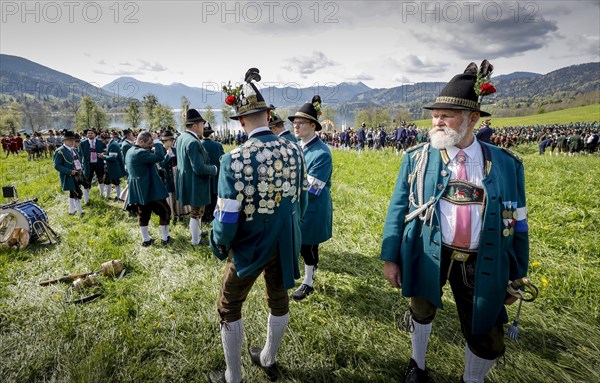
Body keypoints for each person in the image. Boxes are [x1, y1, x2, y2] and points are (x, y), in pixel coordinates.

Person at [380, 60, 530, 383]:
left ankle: (471, 379)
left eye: (445, 115)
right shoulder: (417, 159)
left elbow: (519, 224)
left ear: (472, 118)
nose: (436, 121)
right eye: (435, 115)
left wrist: (518, 275)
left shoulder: (507, 166)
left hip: (483, 258)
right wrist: (390, 256)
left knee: (487, 332)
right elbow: (397, 208)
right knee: (420, 309)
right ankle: (417, 366)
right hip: (430, 250)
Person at [209, 68, 307, 383]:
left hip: (250, 244)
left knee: (229, 304)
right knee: (278, 298)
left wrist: (218, 242)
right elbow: (300, 198)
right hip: (285, 240)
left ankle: (233, 376)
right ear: (268, 115)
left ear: (240, 122)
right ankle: (268, 357)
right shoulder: (294, 149)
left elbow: (227, 215)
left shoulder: (233, 159)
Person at [288, 95, 333, 301]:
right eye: (294, 123)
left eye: (300, 123)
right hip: (298, 204)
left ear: (313, 125)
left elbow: (313, 188)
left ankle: (308, 282)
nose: (296, 126)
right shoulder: (298, 147)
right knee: (298, 243)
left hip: (312, 207)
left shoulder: (322, 153)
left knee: (309, 246)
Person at [175, 108, 218, 246]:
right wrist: (214, 169)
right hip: (195, 182)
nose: (203, 127)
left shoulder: (182, 137)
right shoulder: (193, 142)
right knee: (196, 212)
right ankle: (195, 241)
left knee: (198, 211)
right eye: (201, 124)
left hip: (187, 181)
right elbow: (199, 168)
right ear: (194, 126)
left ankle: (198, 233)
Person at [125, 131, 171, 246]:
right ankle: (165, 238)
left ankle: (146, 240)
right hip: (150, 189)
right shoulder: (140, 152)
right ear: (141, 142)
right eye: (149, 143)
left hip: (140, 189)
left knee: (143, 213)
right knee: (165, 211)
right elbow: (160, 157)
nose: (151, 145)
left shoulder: (130, 150)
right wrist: (157, 141)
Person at [53, 131, 84, 215]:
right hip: (69, 176)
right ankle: (80, 212)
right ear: (65, 140)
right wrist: (70, 171)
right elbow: (57, 166)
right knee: (77, 193)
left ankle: (71, 211)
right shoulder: (60, 151)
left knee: (72, 193)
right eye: (70, 140)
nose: (72, 142)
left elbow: (77, 161)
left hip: (77, 174)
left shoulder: (73, 150)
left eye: (73, 140)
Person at [201, 122, 225, 224]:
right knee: (215, 196)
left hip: (203, 175)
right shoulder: (218, 145)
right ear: (210, 134)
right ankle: (214, 216)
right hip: (216, 175)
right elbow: (223, 160)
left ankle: (205, 217)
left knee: (205, 196)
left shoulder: (199, 144)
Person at [79, 129, 106, 203]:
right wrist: (80, 164)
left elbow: (105, 150)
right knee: (87, 180)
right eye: (88, 133)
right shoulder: (83, 143)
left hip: (99, 163)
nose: (90, 134)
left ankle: (101, 194)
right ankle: (86, 200)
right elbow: (80, 154)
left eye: (91, 133)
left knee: (100, 178)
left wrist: (103, 155)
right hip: (88, 164)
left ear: (95, 134)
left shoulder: (100, 142)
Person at [100, 131, 127, 200]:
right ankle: (108, 196)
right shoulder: (111, 143)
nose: (102, 142)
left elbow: (113, 158)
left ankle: (119, 197)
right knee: (107, 181)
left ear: (106, 139)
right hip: (109, 166)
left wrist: (103, 156)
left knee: (116, 182)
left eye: (102, 140)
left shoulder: (113, 145)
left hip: (114, 167)